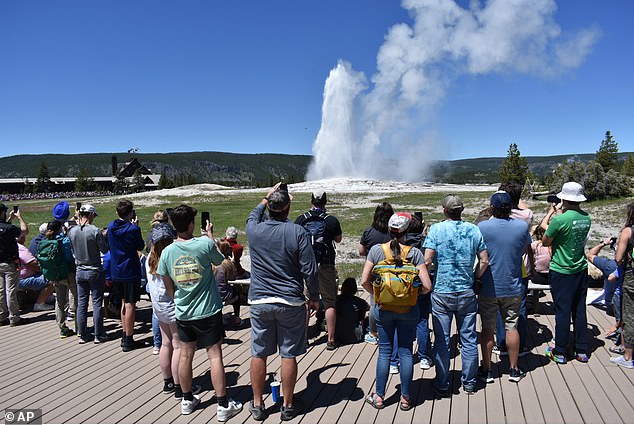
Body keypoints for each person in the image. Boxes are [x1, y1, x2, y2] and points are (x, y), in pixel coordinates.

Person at [158, 205, 242, 419]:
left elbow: (168, 285)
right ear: (190, 224)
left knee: (186, 355)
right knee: (214, 355)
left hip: (184, 311)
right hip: (208, 309)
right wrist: (210, 236)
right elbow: (220, 261)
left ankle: (187, 399)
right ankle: (222, 404)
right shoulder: (204, 244)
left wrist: (179, 296)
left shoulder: (167, 252)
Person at [246, 185, 319, 421]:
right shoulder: (297, 232)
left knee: (259, 353)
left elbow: (253, 214)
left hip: (259, 300)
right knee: (288, 354)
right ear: (288, 208)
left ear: (270, 206)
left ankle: (257, 404)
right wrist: (315, 297)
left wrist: (266, 198)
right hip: (290, 301)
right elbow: (310, 270)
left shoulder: (254, 229)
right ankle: (287, 405)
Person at [361, 213, 432, 410]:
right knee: (406, 351)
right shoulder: (415, 253)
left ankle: (380, 396)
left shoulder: (376, 251)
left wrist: (376, 294)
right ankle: (406, 398)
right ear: (406, 231)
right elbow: (427, 285)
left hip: (383, 309)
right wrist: (413, 296)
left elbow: (364, 281)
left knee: (384, 351)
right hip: (408, 309)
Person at [423, 195, 488, 395]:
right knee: (468, 338)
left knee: (442, 339)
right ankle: (469, 382)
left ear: (444, 210)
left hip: (442, 291)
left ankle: (442, 382)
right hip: (466, 290)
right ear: (463, 209)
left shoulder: (436, 230)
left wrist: (429, 280)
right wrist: (476, 279)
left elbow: (426, 261)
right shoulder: (473, 230)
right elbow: (484, 260)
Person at [478, 191, 533, 383]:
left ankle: (487, 369)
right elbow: (526, 250)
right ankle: (514, 368)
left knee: (487, 328)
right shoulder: (521, 227)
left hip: (488, 287)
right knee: (512, 326)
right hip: (513, 285)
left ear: (492, 207)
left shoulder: (483, 227)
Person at [146, 223, 202, 398]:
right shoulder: (169, 257)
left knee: (165, 343)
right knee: (178, 346)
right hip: (171, 306)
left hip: (158, 306)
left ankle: (168, 381)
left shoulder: (150, 258)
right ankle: (180, 386)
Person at [540, 181, 592, 364]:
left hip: (561, 270)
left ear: (564, 198)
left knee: (562, 311)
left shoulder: (560, 220)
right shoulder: (586, 218)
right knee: (579, 309)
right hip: (580, 268)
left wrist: (556, 211)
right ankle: (581, 349)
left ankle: (560, 351)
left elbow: (546, 242)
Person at [295, 190, 342, 350]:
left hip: (307, 264)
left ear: (311, 201)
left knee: (307, 301)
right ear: (325, 202)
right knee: (329, 301)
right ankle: (330, 339)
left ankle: (304, 338)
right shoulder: (331, 220)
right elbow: (338, 239)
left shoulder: (301, 219)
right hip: (326, 263)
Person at [493, 182, 533, 358]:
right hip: (521, 266)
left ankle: (502, 343)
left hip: (499, 267)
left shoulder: (492, 220)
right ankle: (521, 345)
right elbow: (525, 208)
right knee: (520, 307)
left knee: (500, 307)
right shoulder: (526, 218)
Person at [107, 200, 145, 351]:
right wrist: (136, 227)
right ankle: (129, 339)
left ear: (117, 212)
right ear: (130, 213)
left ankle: (124, 334)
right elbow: (140, 246)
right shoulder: (132, 229)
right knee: (130, 305)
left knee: (123, 303)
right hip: (130, 270)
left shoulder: (111, 227)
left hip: (116, 270)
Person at [67, 205, 109, 343]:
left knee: (82, 303)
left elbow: (73, 248)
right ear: (90, 214)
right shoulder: (95, 230)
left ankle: (82, 333)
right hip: (94, 268)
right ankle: (98, 334)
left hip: (80, 269)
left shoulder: (72, 231)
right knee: (97, 303)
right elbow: (104, 249)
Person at [358, 202, 394, 344]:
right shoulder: (394, 232)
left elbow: (361, 251)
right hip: (393, 271)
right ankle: (392, 330)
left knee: (375, 303)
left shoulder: (369, 232)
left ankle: (374, 333)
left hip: (375, 273)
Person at [611, 202, 634, 368]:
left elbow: (618, 258)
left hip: (631, 275)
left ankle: (628, 356)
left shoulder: (628, 231)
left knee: (629, 314)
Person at [0, 203, 28, 326]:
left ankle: (1, 316)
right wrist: (19, 217)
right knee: (11, 290)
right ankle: (14, 317)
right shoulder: (8, 228)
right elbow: (24, 231)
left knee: (0, 290)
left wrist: (9, 220)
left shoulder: (6, 227)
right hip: (10, 262)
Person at [17, 234, 55, 311]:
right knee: (52, 278)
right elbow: (33, 264)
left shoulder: (6, 247)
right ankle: (40, 303)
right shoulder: (20, 248)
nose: (24, 239)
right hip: (22, 279)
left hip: (12, 278)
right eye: (23, 237)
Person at [334, 277, 369, 345]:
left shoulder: (336, 300)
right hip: (355, 336)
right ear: (355, 290)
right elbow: (368, 307)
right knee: (369, 318)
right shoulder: (358, 301)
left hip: (337, 335)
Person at [215, 240, 241, 327]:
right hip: (225, 296)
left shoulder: (212, 263)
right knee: (237, 290)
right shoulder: (227, 264)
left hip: (214, 296)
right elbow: (233, 278)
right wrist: (233, 263)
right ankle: (237, 318)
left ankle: (221, 317)